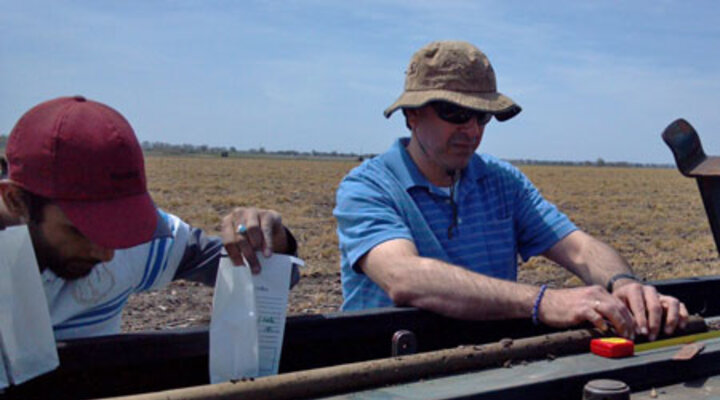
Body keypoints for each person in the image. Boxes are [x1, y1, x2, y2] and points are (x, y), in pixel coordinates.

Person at [334, 40, 687, 341]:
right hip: (388, 376)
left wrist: (623, 284)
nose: (471, 130)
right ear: (412, 114)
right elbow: (404, 277)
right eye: (454, 112)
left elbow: (578, 249)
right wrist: (545, 302)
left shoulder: (502, 182)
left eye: (482, 116)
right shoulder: (368, 187)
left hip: (489, 367)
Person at [0, 96, 297, 339]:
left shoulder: (137, 246)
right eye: (82, 231)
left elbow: (272, 275)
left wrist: (269, 238)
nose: (106, 253)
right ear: (16, 201)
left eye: (119, 227)